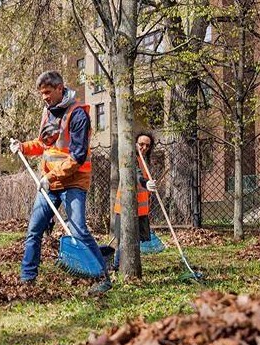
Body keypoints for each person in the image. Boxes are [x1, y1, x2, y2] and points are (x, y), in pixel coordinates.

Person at [9, 70, 112, 296]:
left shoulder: (78, 115)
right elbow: (44, 144)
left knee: (78, 229)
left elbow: (77, 156)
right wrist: (23, 147)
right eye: (41, 94)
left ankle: (102, 276)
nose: (44, 97)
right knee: (34, 229)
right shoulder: (48, 112)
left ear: (60, 88)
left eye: (47, 92)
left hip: (74, 181)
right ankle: (27, 279)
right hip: (50, 183)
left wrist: (50, 177)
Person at [112, 131, 159, 271]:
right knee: (124, 240)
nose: (144, 148)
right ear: (135, 144)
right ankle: (116, 266)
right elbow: (136, 175)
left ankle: (126, 265)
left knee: (135, 240)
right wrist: (145, 183)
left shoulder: (144, 161)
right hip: (126, 208)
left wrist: (149, 185)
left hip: (141, 209)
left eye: (147, 146)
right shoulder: (131, 159)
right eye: (141, 144)